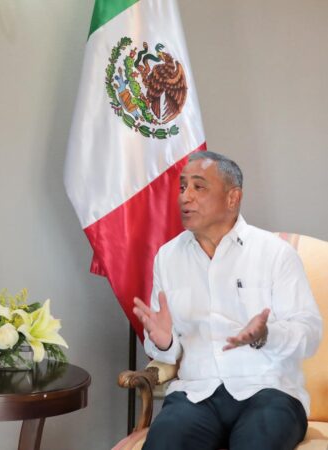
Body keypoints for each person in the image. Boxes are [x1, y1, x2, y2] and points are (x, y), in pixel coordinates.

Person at [132, 151, 322, 450]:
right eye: (182, 187)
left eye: (199, 187)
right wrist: (165, 341)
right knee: (163, 443)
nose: (185, 197)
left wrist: (265, 335)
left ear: (233, 198)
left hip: (268, 392)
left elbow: (309, 333)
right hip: (195, 395)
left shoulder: (274, 253)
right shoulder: (168, 257)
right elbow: (166, 352)